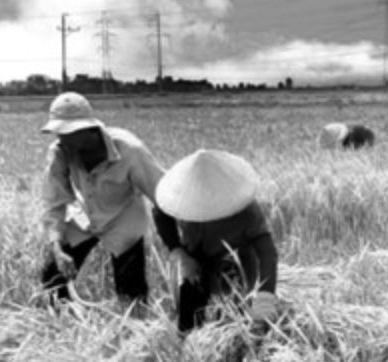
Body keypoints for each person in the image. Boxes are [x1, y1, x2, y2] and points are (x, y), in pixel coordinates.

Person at [37, 92, 180, 313]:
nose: (60, 138)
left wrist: (177, 246)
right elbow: (54, 202)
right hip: (84, 214)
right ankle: (60, 323)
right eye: (58, 132)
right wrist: (57, 248)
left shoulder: (129, 150)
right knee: (52, 276)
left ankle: (133, 328)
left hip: (123, 217)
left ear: (88, 130)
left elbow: (162, 195)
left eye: (67, 132)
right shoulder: (60, 151)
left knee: (130, 290)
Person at [154, 149, 282, 335]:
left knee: (237, 323)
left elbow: (267, 254)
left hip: (237, 261)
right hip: (195, 259)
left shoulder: (246, 211)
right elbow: (160, 211)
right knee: (188, 320)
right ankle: (189, 349)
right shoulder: (181, 195)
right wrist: (178, 252)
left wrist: (264, 302)